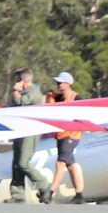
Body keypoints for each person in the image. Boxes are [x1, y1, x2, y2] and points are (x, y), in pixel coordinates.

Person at [7, 68, 50, 203]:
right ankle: (17, 195)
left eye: (18, 80)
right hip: (21, 130)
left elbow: (21, 102)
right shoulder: (25, 91)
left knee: (23, 163)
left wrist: (15, 90)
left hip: (31, 132)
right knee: (16, 164)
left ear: (23, 80)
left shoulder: (34, 92)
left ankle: (43, 186)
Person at [42, 71, 84, 204]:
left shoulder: (76, 98)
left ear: (67, 84)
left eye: (60, 83)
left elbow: (82, 118)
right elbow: (45, 110)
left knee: (60, 163)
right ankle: (79, 195)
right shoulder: (58, 98)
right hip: (61, 136)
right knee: (71, 165)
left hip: (71, 136)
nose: (57, 85)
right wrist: (45, 97)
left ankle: (50, 193)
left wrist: (72, 135)